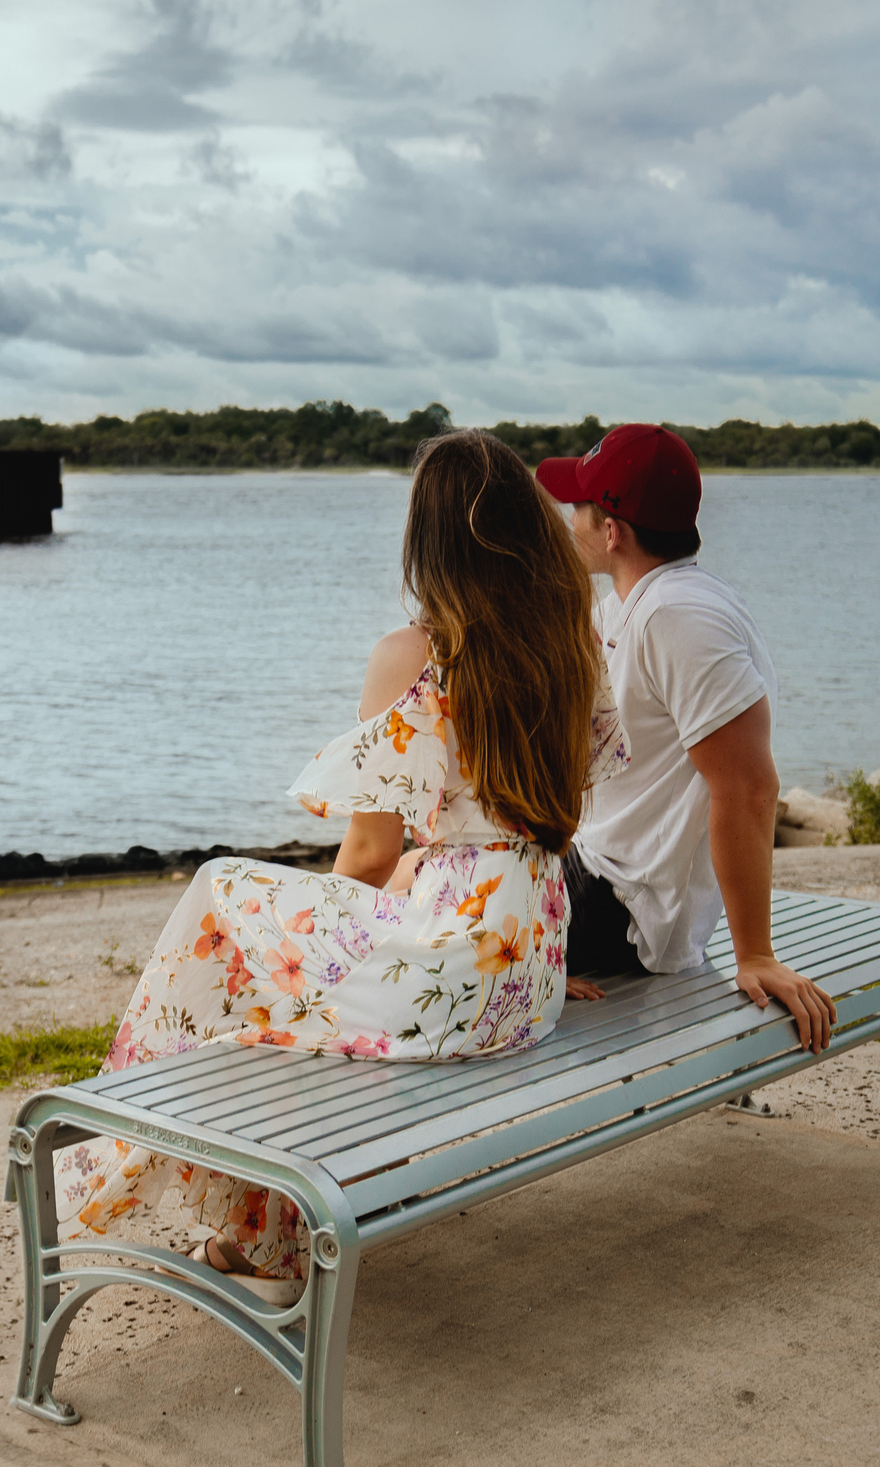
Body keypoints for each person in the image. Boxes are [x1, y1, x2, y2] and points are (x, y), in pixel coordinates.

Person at [56, 429, 630, 1297]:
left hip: (459, 962)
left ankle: (200, 1202)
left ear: (429, 539)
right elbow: (549, 816)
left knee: (223, 894)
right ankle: (256, 1233)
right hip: (527, 955)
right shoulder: (570, 639)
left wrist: (319, 933)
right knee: (279, 972)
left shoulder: (418, 653)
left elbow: (369, 853)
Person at [533, 423, 836, 1053]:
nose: (569, 521)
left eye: (578, 509)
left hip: (624, 903)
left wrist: (755, 954)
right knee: (429, 871)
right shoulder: (636, 603)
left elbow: (749, 787)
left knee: (420, 892)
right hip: (594, 865)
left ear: (611, 530)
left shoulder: (681, 618)